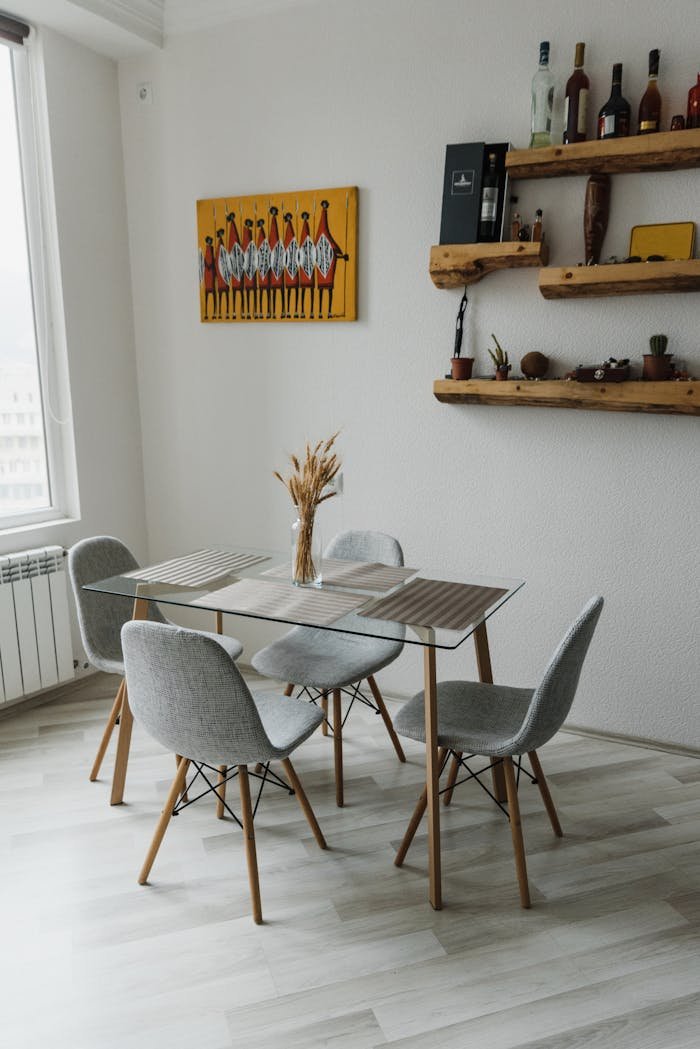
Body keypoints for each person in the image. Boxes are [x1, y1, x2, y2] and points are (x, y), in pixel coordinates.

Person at [314, 199, 348, 319]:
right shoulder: (318, 242)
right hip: (321, 269)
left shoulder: (326, 242)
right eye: (323, 206)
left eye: (325, 206)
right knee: (321, 291)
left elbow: (332, 250)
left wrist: (342, 256)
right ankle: (319, 311)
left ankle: (328, 311)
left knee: (329, 290)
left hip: (328, 269)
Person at [226, 210, 244, 320]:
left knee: (241, 290)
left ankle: (242, 310)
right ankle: (233, 311)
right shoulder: (232, 235)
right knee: (234, 290)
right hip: (234, 270)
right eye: (231, 218)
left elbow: (239, 251)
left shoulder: (235, 234)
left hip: (239, 269)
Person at [298, 210, 315, 319]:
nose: (304, 217)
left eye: (305, 216)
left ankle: (312, 311)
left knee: (312, 289)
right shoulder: (303, 233)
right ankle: (303, 310)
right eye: (303, 216)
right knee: (303, 290)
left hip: (310, 264)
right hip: (303, 264)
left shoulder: (307, 229)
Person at [268, 206, 284, 319]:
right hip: (272, 268)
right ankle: (271, 312)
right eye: (272, 212)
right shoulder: (272, 228)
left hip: (279, 266)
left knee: (281, 290)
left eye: (275, 212)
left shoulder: (276, 229)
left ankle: (283, 310)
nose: (274, 213)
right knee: (272, 291)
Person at [283, 211, 299, 319]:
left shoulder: (291, 232)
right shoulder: (288, 235)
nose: (288, 218)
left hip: (295, 266)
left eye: (290, 217)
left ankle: (296, 310)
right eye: (287, 217)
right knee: (288, 290)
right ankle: (287, 310)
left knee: (296, 289)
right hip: (288, 267)